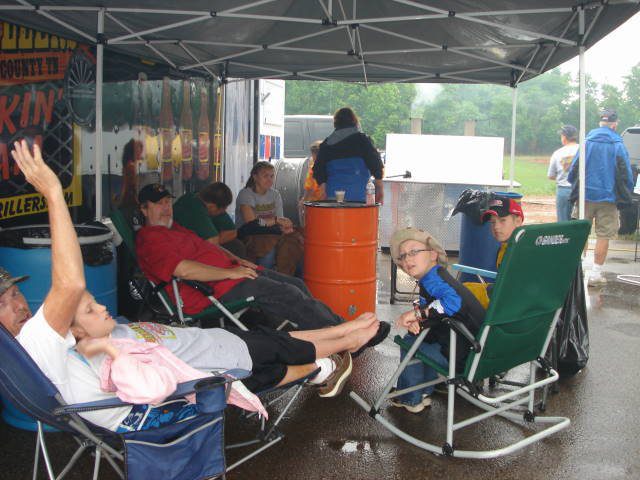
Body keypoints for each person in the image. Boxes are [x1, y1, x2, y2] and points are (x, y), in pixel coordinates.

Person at [135, 183, 344, 329]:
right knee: (288, 293)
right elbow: (184, 270)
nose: (166, 208)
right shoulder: (150, 240)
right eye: (159, 204)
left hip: (232, 274)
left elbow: (208, 247)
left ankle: (335, 326)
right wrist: (230, 273)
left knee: (296, 285)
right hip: (212, 291)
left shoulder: (174, 228)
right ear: (144, 210)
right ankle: (341, 333)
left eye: (167, 202)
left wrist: (237, 260)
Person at [388, 228, 485, 413]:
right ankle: (424, 391)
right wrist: (421, 320)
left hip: (463, 356)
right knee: (419, 336)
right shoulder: (436, 278)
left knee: (410, 344)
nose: (407, 259)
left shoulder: (433, 280)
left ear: (433, 254)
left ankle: (410, 398)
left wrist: (417, 315)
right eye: (403, 256)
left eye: (414, 252)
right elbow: (435, 310)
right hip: (476, 351)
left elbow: (453, 303)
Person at [568, 108, 634, 286]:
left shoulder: (587, 142)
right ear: (614, 124)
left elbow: (574, 168)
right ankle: (595, 275)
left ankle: (577, 270)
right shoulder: (618, 145)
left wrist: (574, 186)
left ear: (600, 123)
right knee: (603, 236)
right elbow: (626, 173)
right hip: (608, 198)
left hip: (585, 197)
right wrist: (628, 191)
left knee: (581, 233)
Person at [235, 161, 303, 275]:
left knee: (296, 244)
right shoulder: (246, 194)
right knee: (268, 250)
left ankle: (286, 278)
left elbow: (280, 219)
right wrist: (276, 221)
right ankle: (263, 278)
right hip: (250, 234)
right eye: (265, 176)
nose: (269, 179)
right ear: (255, 177)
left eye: (272, 176)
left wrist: (285, 227)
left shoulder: (275, 194)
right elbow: (251, 223)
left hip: (272, 233)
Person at [463, 195, 524, 309]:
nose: (496, 227)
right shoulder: (511, 246)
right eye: (492, 222)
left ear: (518, 221)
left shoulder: (519, 251)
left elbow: (508, 293)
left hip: (507, 309)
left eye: (502, 220)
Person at [313, 107, 384, 204]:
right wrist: (380, 187)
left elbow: (318, 169)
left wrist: (323, 186)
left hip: (333, 198)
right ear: (354, 121)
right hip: (359, 198)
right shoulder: (362, 141)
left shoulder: (326, 144)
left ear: (336, 123)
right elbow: (375, 164)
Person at [173, 182, 247, 258]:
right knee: (233, 249)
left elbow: (232, 232)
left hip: (189, 247)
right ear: (213, 207)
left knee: (236, 245)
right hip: (177, 250)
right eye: (223, 209)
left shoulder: (201, 199)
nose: (224, 212)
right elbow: (212, 242)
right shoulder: (196, 208)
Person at [548, 125, 579, 222]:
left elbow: (551, 175)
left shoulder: (558, 153)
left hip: (563, 190)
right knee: (579, 221)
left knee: (563, 223)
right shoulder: (583, 149)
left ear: (564, 137)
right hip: (580, 190)